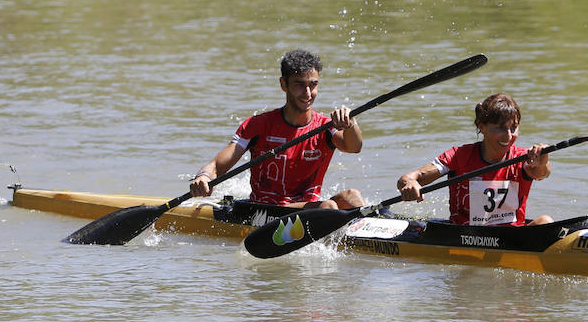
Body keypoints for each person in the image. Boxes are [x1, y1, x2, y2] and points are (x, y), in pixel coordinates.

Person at [190, 49, 365, 209]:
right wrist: (204, 177)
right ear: (283, 84)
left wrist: (350, 124)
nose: (307, 93)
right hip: (265, 209)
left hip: (309, 208)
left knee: (353, 197)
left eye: (313, 85)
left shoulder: (325, 126)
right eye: (299, 84)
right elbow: (218, 165)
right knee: (327, 207)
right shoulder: (258, 125)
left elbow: (354, 147)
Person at [396, 93, 553, 227]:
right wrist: (410, 184)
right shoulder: (459, 156)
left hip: (511, 238)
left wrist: (542, 162)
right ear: (481, 127)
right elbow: (407, 178)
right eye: (500, 128)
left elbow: (541, 173)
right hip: (465, 235)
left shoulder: (522, 158)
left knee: (545, 222)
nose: (509, 136)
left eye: (513, 127)